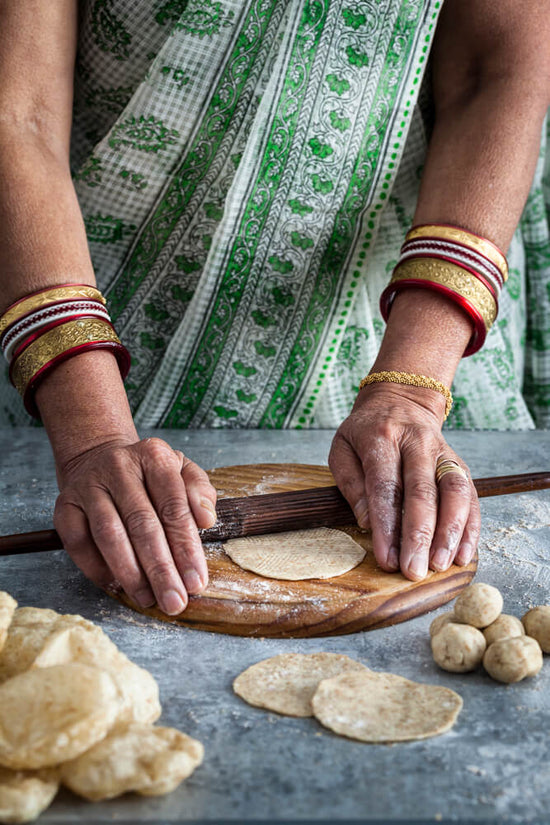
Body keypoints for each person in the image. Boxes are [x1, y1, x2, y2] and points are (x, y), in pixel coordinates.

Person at [0, 0, 549, 616]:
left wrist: (411, 392)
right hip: (83, 306)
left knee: (415, 494)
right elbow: (21, 116)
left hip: (399, 319)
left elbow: (490, 73)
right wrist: (89, 437)